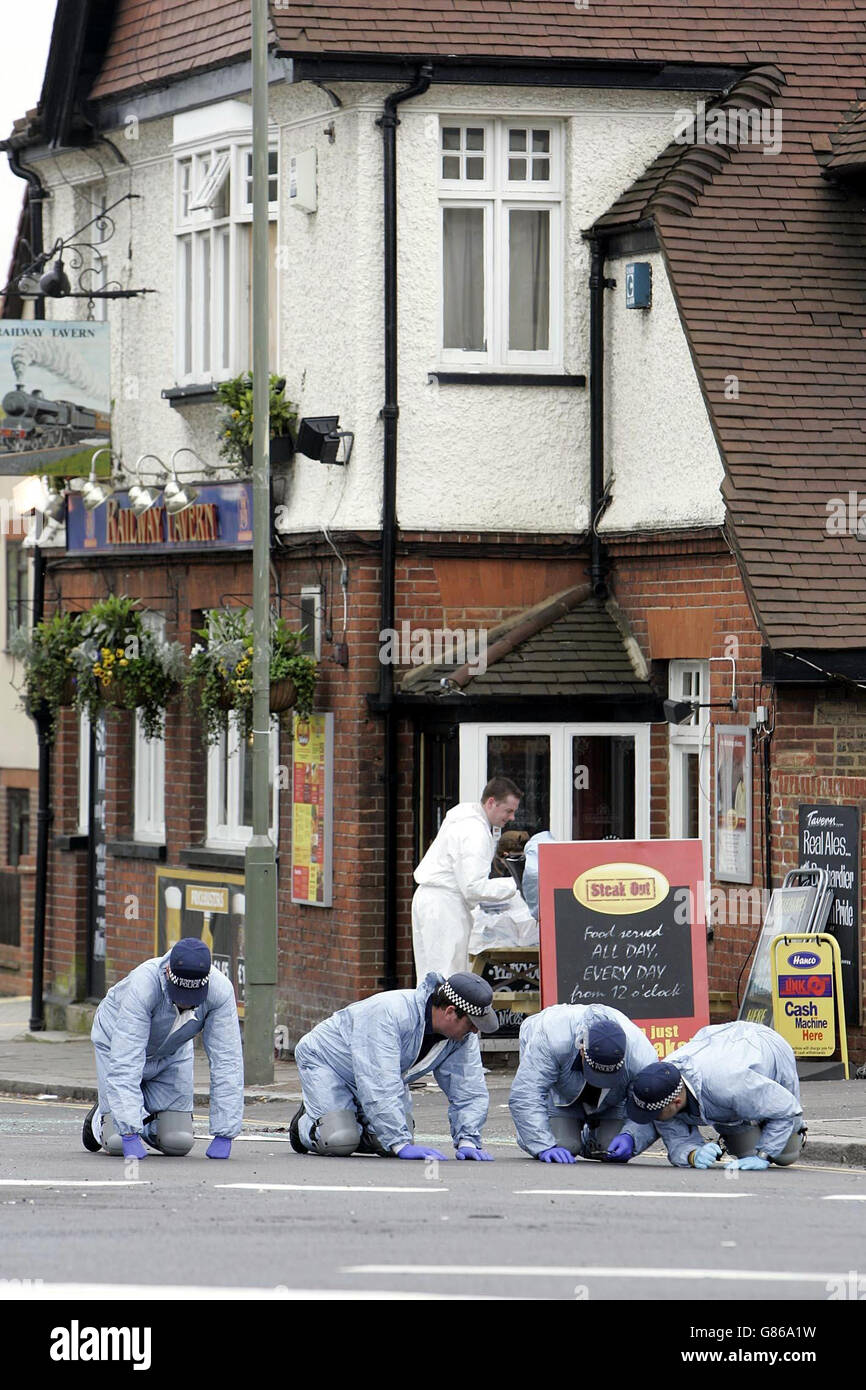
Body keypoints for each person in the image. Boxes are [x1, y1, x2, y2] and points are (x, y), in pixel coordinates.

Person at [290, 973, 498, 1160]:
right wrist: (399, 1142)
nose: (474, 1031)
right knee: (340, 1139)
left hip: (374, 1076)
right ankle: (304, 1125)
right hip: (328, 1064)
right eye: (471, 1023)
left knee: (385, 1144)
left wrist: (468, 1140)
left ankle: (347, 1119)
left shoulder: (461, 1036)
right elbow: (379, 1080)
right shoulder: (389, 1013)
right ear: (450, 1012)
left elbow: (468, 1087)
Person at [82, 938, 244, 1160]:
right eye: (180, 995)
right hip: (115, 1043)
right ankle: (100, 1119)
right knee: (118, 1142)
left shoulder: (220, 991)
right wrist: (129, 1133)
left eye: (193, 999)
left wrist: (225, 1133)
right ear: (168, 973)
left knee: (178, 1142)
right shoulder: (144, 985)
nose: (186, 1004)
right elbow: (126, 1059)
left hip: (171, 1053)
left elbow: (227, 1061)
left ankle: (139, 1117)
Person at [625, 1020, 807, 1169]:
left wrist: (764, 1155)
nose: (653, 1119)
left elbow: (786, 1109)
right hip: (724, 1074)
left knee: (785, 1155)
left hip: (768, 1050)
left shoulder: (729, 1085)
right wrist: (692, 1155)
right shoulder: (662, 1086)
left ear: (676, 1102)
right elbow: (678, 1141)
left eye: (655, 1115)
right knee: (747, 1153)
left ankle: (785, 1133)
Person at [509, 1003, 658, 1163]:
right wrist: (543, 1145)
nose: (600, 1083)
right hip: (561, 1092)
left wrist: (631, 1135)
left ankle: (591, 1140)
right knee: (566, 1145)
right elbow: (526, 1094)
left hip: (612, 1099)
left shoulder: (641, 1057)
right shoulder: (551, 1038)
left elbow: (651, 1105)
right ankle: (560, 1134)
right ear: (581, 1049)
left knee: (608, 1148)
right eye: (596, 1072)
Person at [412, 776, 522, 981]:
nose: (512, 817)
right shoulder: (474, 831)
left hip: (432, 900)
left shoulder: (464, 820)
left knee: (430, 979)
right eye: (508, 810)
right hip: (445, 906)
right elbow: (474, 887)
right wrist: (517, 884)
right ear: (491, 802)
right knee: (446, 979)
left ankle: (426, 1014)